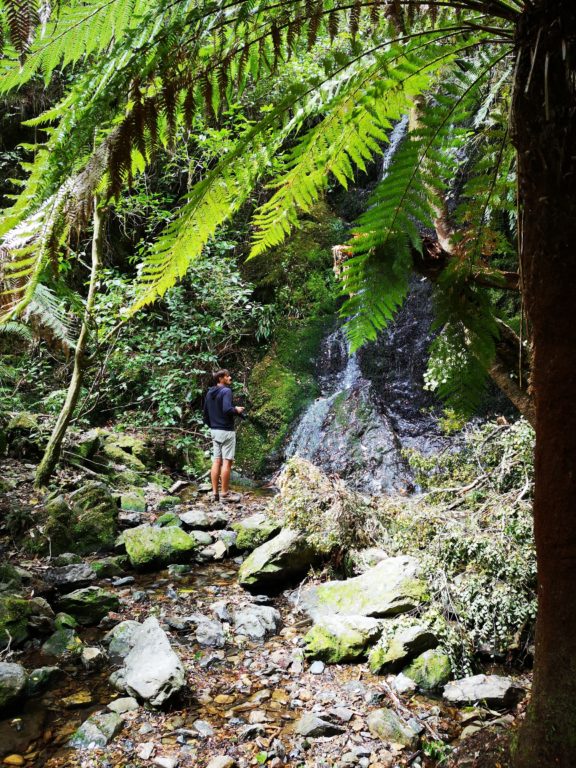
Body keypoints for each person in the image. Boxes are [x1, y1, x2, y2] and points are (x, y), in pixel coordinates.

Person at [203, 369, 245, 502]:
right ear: (221, 378)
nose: (230, 378)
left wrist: (213, 426)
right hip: (226, 431)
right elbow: (227, 409)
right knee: (227, 462)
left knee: (216, 461)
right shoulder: (226, 391)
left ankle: (215, 493)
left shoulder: (210, 392)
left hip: (214, 431)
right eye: (227, 376)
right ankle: (225, 494)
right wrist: (236, 410)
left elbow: (205, 415)